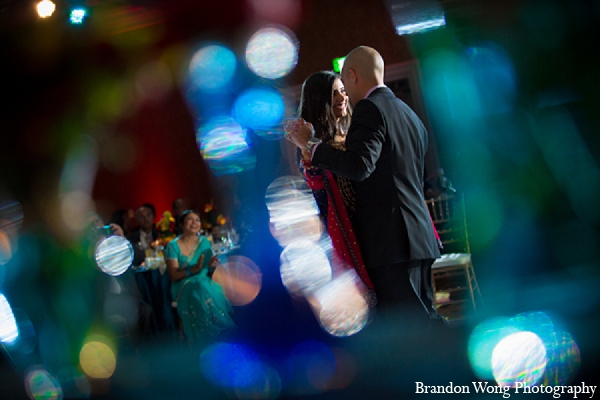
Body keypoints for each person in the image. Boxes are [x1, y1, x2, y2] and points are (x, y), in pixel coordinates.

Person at [286, 46, 441, 322]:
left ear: (353, 76)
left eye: (342, 86)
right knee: (417, 319)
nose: (343, 95)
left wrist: (314, 146)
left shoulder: (368, 113)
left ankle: (450, 358)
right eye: (333, 92)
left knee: (413, 325)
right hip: (401, 239)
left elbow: (359, 167)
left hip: (392, 243)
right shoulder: (406, 112)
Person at [285, 70, 375, 305]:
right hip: (342, 227)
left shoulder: (351, 134)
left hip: (369, 222)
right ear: (319, 100)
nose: (342, 97)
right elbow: (317, 189)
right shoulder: (313, 145)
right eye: (334, 93)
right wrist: (307, 147)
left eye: (343, 91)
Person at [165, 210, 235, 343]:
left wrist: (211, 265)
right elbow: (173, 275)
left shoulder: (204, 242)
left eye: (197, 220)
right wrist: (193, 270)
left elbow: (206, 270)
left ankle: (221, 330)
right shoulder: (172, 246)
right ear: (181, 224)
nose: (194, 223)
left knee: (214, 286)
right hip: (183, 285)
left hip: (203, 281)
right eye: (190, 219)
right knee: (202, 287)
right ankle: (209, 333)